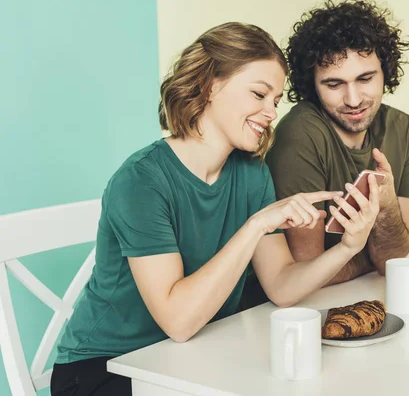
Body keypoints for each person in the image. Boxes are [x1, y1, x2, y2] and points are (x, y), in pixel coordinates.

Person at [50, 22, 380, 396]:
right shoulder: (141, 181)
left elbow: (283, 287)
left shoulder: (252, 175)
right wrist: (256, 225)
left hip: (187, 359)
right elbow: (178, 321)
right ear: (209, 86)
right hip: (103, 369)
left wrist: (349, 246)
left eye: (275, 100)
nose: (271, 112)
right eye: (259, 94)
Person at [242, 0, 409, 304]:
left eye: (365, 79)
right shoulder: (301, 133)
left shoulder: (403, 130)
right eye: (334, 84)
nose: (353, 99)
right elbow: (307, 271)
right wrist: (369, 255)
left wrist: (387, 204)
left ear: (385, 71)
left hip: (356, 297)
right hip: (282, 313)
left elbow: (395, 260)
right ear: (312, 85)